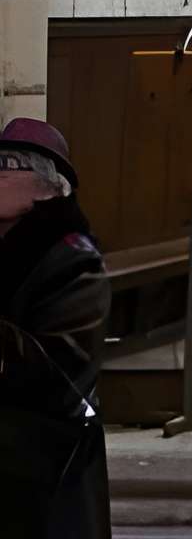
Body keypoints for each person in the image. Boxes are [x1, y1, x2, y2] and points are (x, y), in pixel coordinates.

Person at [0, 118, 111, 538]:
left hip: (44, 463)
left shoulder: (76, 261)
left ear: (48, 187)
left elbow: (62, 371)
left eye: (10, 164)